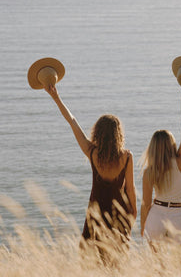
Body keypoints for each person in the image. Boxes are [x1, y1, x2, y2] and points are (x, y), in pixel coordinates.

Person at [45, 84, 137, 263]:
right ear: (118, 134)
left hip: (96, 215)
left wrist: (56, 97)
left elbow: (72, 121)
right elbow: (131, 189)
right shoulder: (127, 157)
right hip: (120, 216)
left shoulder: (92, 153)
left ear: (98, 133)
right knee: (117, 263)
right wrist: (133, 213)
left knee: (92, 263)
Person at [140, 84, 181, 248]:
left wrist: (143, 228)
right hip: (179, 215)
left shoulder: (150, 171)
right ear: (172, 144)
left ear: (153, 147)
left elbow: (146, 204)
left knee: (157, 268)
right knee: (180, 267)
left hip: (157, 215)